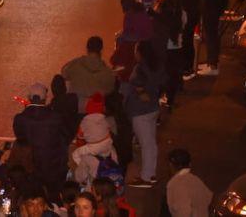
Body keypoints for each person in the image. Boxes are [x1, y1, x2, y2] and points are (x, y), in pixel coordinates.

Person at [12, 83, 69, 202]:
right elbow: (64, 137)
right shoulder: (56, 117)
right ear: (45, 98)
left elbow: (20, 137)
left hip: (29, 166)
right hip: (52, 166)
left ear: (29, 97)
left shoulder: (20, 118)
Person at [122, 41, 163, 189]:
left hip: (141, 111)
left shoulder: (140, 68)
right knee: (151, 144)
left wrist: (141, 93)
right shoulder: (156, 67)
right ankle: (151, 174)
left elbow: (138, 86)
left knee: (146, 144)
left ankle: (146, 178)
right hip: (153, 109)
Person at [61, 36, 116, 112]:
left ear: (87, 48)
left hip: (76, 109)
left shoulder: (75, 64)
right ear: (101, 50)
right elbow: (110, 89)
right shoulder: (107, 71)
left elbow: (64, 73)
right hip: (97, 109)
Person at [165, 149, 212, 217]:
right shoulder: (196, 180)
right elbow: (210, 200)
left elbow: (183, 212)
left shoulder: (174, 184)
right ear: (190, 164)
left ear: (171, 165)